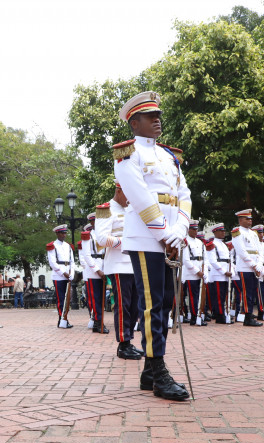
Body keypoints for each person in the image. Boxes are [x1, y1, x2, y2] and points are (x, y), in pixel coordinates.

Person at [113, 90, 190, 401]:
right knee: (152, 305)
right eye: (150, 117)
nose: (157, 120)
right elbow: (141, 198)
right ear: (134, 123)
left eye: (158, 115)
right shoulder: (128, 155)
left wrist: (180, 230)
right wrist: (165, 235)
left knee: (166, 302)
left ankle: (148, 371)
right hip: (146, 238)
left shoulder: (169, 156)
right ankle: (158, 371)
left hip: (170, 236)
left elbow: (184, 195)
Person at [93, 182, 145, 360]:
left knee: (134, 306)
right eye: (128, 194)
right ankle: (123, 344)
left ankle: (129, 341)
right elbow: (101, 238)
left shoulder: (131, 209)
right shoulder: (106, 210)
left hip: (134, 264)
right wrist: (126, 242)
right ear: (119, 191)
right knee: (123, 306)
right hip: (118, 265)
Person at [47, 225, 75, 328]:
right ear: (57, 233)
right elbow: (53, 263)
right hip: (58, 276)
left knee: (67, 300)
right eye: (62, 233)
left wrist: (71, 273)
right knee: (61, 299)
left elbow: (72, 261)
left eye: (65, 233)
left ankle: (64, 319)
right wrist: (64, 273)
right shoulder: (52, 246)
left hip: (68, 275)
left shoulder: (68, 246)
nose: (64, 235)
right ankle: (62, 319)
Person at [206, 223, 232, 324]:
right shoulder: (212, 244)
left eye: (224, 231)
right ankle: (220, 316)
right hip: (217, 274)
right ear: (215, 232)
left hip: (225, 274)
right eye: (221, 231)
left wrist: (230, 271)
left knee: (223, 296)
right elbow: (213, 261)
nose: (223, 233)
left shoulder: (224, 245)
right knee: (218, 297)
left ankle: (223, 314)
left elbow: (228, 260)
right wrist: (224, 272)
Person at [181, 220, 206, 326]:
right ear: (188, 230)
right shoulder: (185, 241)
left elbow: (204, 259)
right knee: (192, 296)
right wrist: (197, 271)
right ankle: (194, 316)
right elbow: (186, 260)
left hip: (200, 272)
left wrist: (203, 272)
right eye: (193, 229)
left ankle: (197, 315)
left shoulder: (200, 242)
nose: (196, 231)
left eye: (196, 229)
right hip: (190, 273)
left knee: (198, 296)